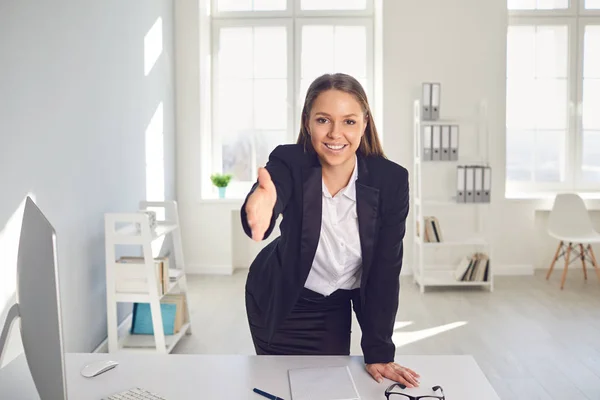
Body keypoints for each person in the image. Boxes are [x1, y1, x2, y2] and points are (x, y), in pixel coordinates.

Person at [240, 72, 420, 388]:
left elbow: (384, 269)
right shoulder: (289, 161)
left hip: (340, 299)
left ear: (365, 123)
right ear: (307, 123)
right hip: (284, 297)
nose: (336, 133)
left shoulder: (390, 180)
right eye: (323, 120)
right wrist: (261, 205)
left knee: (328, 388)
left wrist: (379, 350)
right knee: (281, 386)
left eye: (349, 121)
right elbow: (272, 191)